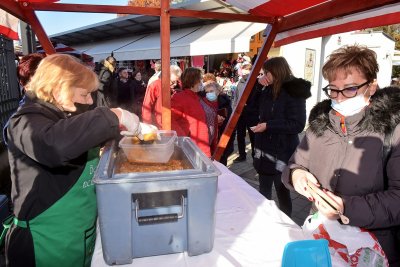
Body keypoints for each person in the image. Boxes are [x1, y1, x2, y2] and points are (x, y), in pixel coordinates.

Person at [2, 54, 153, 266]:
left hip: (80, 234)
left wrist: (128, 133)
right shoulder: (23, 122)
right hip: (45, 244)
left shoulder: (65, 115)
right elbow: (55, 145)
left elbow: (84, 134)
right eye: (85, 94)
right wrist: (115, 115)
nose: (90, 101)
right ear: (59, 89)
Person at [281, 45, 400, 265]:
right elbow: (295, 164)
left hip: (372, 248)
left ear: (371, 87)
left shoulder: (393, 130)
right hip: (322, 236)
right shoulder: (321, 124)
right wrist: (296, 175)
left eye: (350, 89)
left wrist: (345, 208)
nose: (340, 98)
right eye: (334, 90)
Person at [253, 57, 311, 217]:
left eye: (267, 73)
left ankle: (286, 222)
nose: (264, 76)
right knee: (263, 190)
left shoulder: (294, 91)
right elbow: (251, 107)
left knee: (282, 190)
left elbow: (298, 124)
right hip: (264, 148)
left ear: (276, 72)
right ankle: (264, 219)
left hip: (283, 151)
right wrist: (258, 87)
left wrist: (269, 125)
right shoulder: (268, 89)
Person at [171, 67, 211, 157]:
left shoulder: (196, 97)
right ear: (193, 80)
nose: (201, 82)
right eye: (200, 79)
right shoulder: (179, 98)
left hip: (201, 144)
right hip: (192, 147)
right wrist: (184, 139)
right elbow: (170, 120)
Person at [231, 62, 261, 163]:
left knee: (253, 136)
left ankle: (254, 156)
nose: (244, 75)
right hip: (240, 113)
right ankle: (242, 155)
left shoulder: (256, 83)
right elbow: (236, 97)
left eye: (246, 73)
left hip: (252, 114)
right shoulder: (240, 82)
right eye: (243, 73)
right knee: (240, 135)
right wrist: (234, 109)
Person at [142, 65, 182, 129]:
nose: (175, 84)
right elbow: (147, 106)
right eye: (173, 82)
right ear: (166, 77)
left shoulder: (178, 87)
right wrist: (147, 126)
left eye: (177, 81)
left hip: (174, 123)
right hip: (159, 124)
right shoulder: (155, 86)